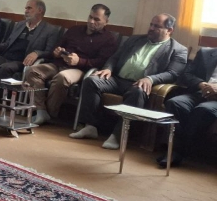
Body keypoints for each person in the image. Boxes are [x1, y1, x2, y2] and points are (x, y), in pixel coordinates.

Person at [70, 13, 187, 150]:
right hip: (117, 79)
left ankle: (118, 136)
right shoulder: (135, 40)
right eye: (151, 24)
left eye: (157, 26)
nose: (151, 28)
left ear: (169, 30)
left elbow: (173, 73)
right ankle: (90, 126)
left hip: (138, 84)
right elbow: (114, 58)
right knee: (91, 81)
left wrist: (150, 79)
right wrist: (108, 68)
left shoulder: (178, 50)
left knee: (137, 92)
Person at [22, 4, 119, 125]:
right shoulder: (75, 30)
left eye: (96, 19)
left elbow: (101, 62)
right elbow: (56, 47)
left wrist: (79, 61)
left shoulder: (109, 39)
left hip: (81, 69)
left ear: (106, 22)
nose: (91, 21)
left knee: (62, 77)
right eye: (90, 17)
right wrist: (57, 52)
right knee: (32, 70)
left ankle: (51, 114)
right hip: (59, 63)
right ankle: (41, 110)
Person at [0, 0, 57, 105]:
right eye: (25, 8)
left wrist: (37, 53)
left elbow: (50, 52)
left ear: (40, 10)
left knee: (5, 68)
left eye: (29, 8)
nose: (26, 10)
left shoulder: (50, 30)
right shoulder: (20, 25)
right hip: (7, 56)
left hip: (23, 61)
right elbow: (8, 43)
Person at [159, 47, 217, 167]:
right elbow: (186, 74)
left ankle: (177, 151)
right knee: (175, 103)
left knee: (203, 110)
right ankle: (175, 150)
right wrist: (201, 84)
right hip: (199, 93)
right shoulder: (205, 53)